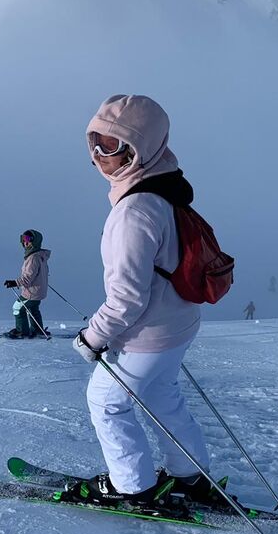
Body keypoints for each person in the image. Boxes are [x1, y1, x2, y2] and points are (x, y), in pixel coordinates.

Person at [69, 94, 219, 507]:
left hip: (148, 334)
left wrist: (92, 337)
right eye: (94, 140)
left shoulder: (133, 211)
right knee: (161, 395)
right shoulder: (164, 187)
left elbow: (126, 298)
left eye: (112, 144)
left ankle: (131, 486)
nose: (100, 154)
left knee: (106, 402)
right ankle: (190, 475)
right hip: (178, 323)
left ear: (140, 148)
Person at [3, 229, 50, 339]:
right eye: (23, 239)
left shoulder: (33, 258)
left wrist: (15, 283)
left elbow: (28, 278)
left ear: (35, 241)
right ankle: (38, 331)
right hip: (39, 291)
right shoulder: (40, 256)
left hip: (31, 292)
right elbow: (40, 273)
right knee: (33, 310)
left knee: (17, 308)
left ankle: (22, 331)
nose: (25, 242)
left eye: (28, 239)